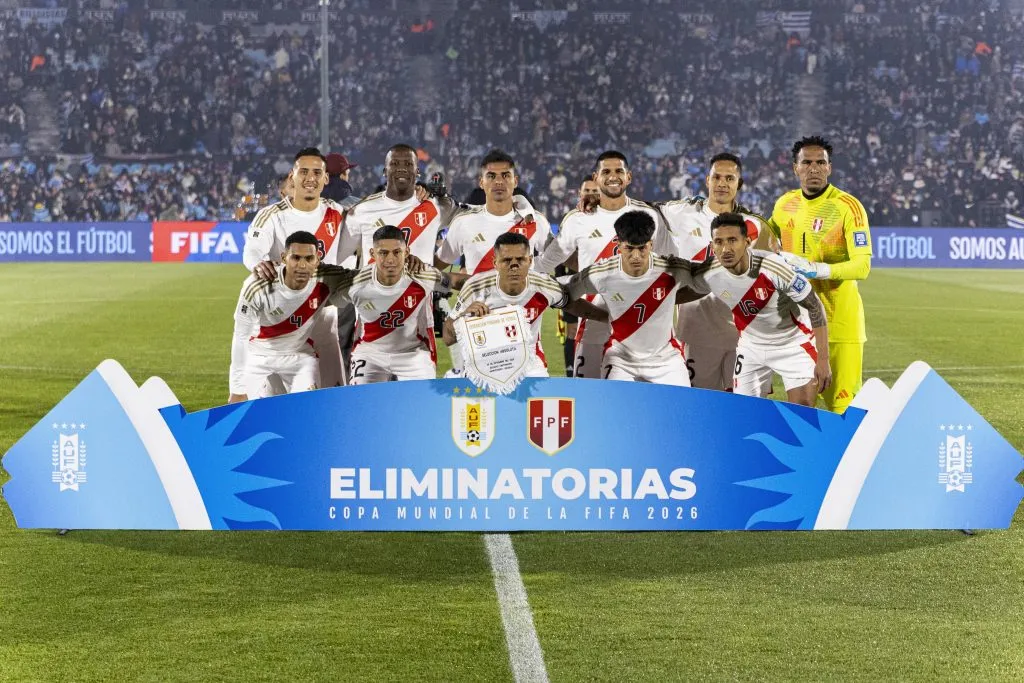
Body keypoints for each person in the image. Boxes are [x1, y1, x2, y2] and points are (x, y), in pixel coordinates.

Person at [534, 151, 664, 379]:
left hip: (643, 328)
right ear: (596, 178)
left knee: (643, 403)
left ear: (629, 177)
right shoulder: (578, 220)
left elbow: (668, 264)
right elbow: (546, 263)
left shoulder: (649, 215)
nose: (613, 176)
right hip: (594, 323)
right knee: (590, 401)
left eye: (618, 171)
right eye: (606, 172)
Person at [768, 136, 872, 413]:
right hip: (799, 327)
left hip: (839, 324)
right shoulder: (784, 205)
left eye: (820, 163)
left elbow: (862, 266)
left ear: (829, 168)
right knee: (804, 409)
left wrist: (818, 269)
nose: (813, 168)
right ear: (795, 168)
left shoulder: (847, 207)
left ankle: (850, 458)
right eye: (807, 162)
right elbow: (762, 241)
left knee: (844, 410)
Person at [655, 153, 775, 392]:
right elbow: (640, 211)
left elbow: (772, 275)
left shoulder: (755, 225)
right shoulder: (681, 213)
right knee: (699, 409)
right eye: (716, 177)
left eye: (729, 178)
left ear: (739, 184)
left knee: (746, 410)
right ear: (707, 180)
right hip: (696, 331)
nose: (722, 183)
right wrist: (596, 201)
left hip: (746, 337)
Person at [691, 213, 831, 406]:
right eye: (719, 242)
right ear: (712, 245)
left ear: (747, 241)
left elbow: (814, 305)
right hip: (751, 347)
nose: (726, 249)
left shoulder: (773, 267)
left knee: (801, 414)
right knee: (745, 414)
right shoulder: (709, 272)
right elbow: (680, 290)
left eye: (732, 240)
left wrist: (823, 359)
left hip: (793, 344)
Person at [435, 148, 553, 373]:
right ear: (481, 182)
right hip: (478, 331)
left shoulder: (536, 222)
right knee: (478, 406)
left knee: (527, 405)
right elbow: (438, 265)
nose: (499, 182)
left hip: (525, 339)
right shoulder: (464, 223)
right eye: (491, 176)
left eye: (505, 176)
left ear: (515, 180)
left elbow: (560, 259)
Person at [242, 147, 347, 387]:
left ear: (326, 178)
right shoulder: (271, 215)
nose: (311, 178)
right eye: (304, 172)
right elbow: (253, 249)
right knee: (277, 408)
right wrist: (258, 263)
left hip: (323, 321)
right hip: (281, 324)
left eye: (317, 172)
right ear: (292, 176)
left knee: (330, 401)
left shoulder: (338, 213)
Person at [564, 210, 705, 386]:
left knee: (681, 409)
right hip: (619, 358)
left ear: (651, 245)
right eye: (629, 248)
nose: (636, 256)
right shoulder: (601, 273)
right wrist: (600, 315)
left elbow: (705, 284)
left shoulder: (672, 268)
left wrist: (669, 298)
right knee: (615, 410)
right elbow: (565, 298)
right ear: (619, 245)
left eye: (642, 248)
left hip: (666, 359)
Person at [445, 232, 606, 377]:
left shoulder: (544, 285)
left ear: (530, 261)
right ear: (495, 263)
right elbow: (447, 338)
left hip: (530, 366)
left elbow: (573, 305)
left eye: (520, 260)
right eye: (506, 260)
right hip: (485, 364)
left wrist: (609, 318)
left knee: (537, 404)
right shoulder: (475, 287)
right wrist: (464, 317)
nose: (514, 266)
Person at [229, 232, 355, 403]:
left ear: (317, 260)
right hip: (258, 354)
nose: (302, 265)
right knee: (239, 412)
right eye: (295, 257)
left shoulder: (328, 277)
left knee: (305, 409)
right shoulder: (258, 285)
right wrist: (237, 388)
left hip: (298, 356)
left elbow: (364, 279)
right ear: (284, 258)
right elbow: (240, 336)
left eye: (309, 258)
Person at [332, 225, 460, 384]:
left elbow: (454, 281)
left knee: (422, 403)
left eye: (397, 252)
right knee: (360, 403)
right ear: (373, 253)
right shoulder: (355, 283)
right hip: (369, 354)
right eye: (383, 253)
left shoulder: (422, 274)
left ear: (406, 252)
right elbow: (329, 299)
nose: (390, 259)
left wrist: (489, 282)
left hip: (414, 354)